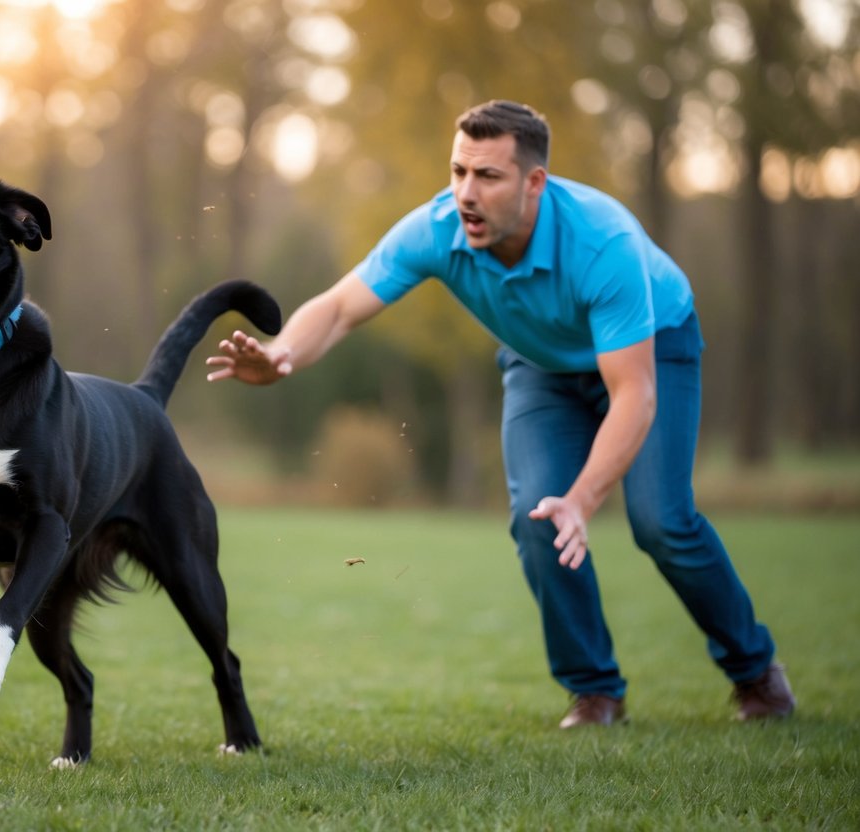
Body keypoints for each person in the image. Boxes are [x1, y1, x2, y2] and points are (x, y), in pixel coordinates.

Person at [205, 99, 795, 728]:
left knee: (661, 521)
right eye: (458, 171)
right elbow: (341, 307)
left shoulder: (604, 242)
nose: (465, 193)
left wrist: (586, 497)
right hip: (541, 364)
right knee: (535, 512)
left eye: (488, 176)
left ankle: (756, 673)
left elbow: (634, 395)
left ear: (534, 182)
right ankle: (595, 692)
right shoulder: (437, 229)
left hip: (653, 349)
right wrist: (282, 352)